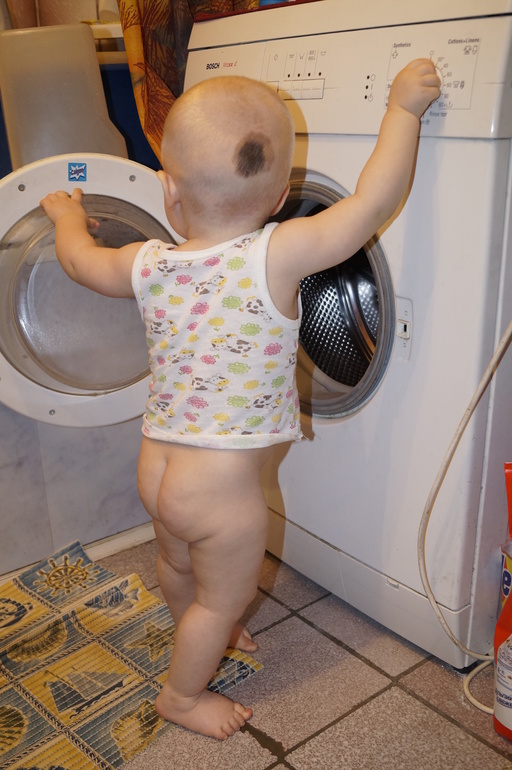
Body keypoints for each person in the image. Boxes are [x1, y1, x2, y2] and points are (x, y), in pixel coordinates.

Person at [40, 61, 440, 740]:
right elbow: (371, 204)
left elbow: (79, 261)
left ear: (169, 190)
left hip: (158, 467)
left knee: (177, 565)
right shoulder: (277, 254)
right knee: (223, 599)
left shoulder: (148, 261)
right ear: (280, 195)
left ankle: (198, 633)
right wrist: (401, 111)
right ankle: (183, 694)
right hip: (218, 492)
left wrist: (65, 216)